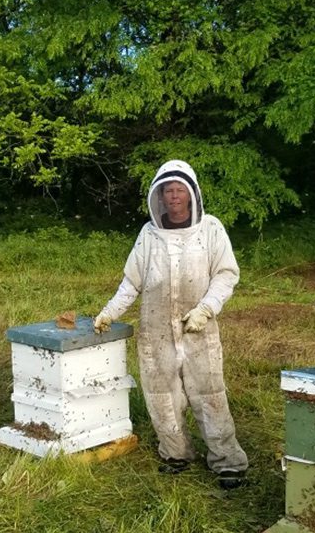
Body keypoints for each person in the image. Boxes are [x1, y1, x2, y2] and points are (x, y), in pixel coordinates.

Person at [94, 159, 249, 489]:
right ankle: (176, 453)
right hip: (156, 332)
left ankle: (227, 462)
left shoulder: (211, 229)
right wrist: (109, 313)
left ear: (192, 195)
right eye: (168, 191)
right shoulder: (149, 234)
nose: (174, 196)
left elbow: (226, 274)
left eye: (180, 190)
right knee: (162, 395)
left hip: (199, 330)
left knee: (209, 394)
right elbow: (132, 283)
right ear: (159, 197)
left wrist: (206, 309)